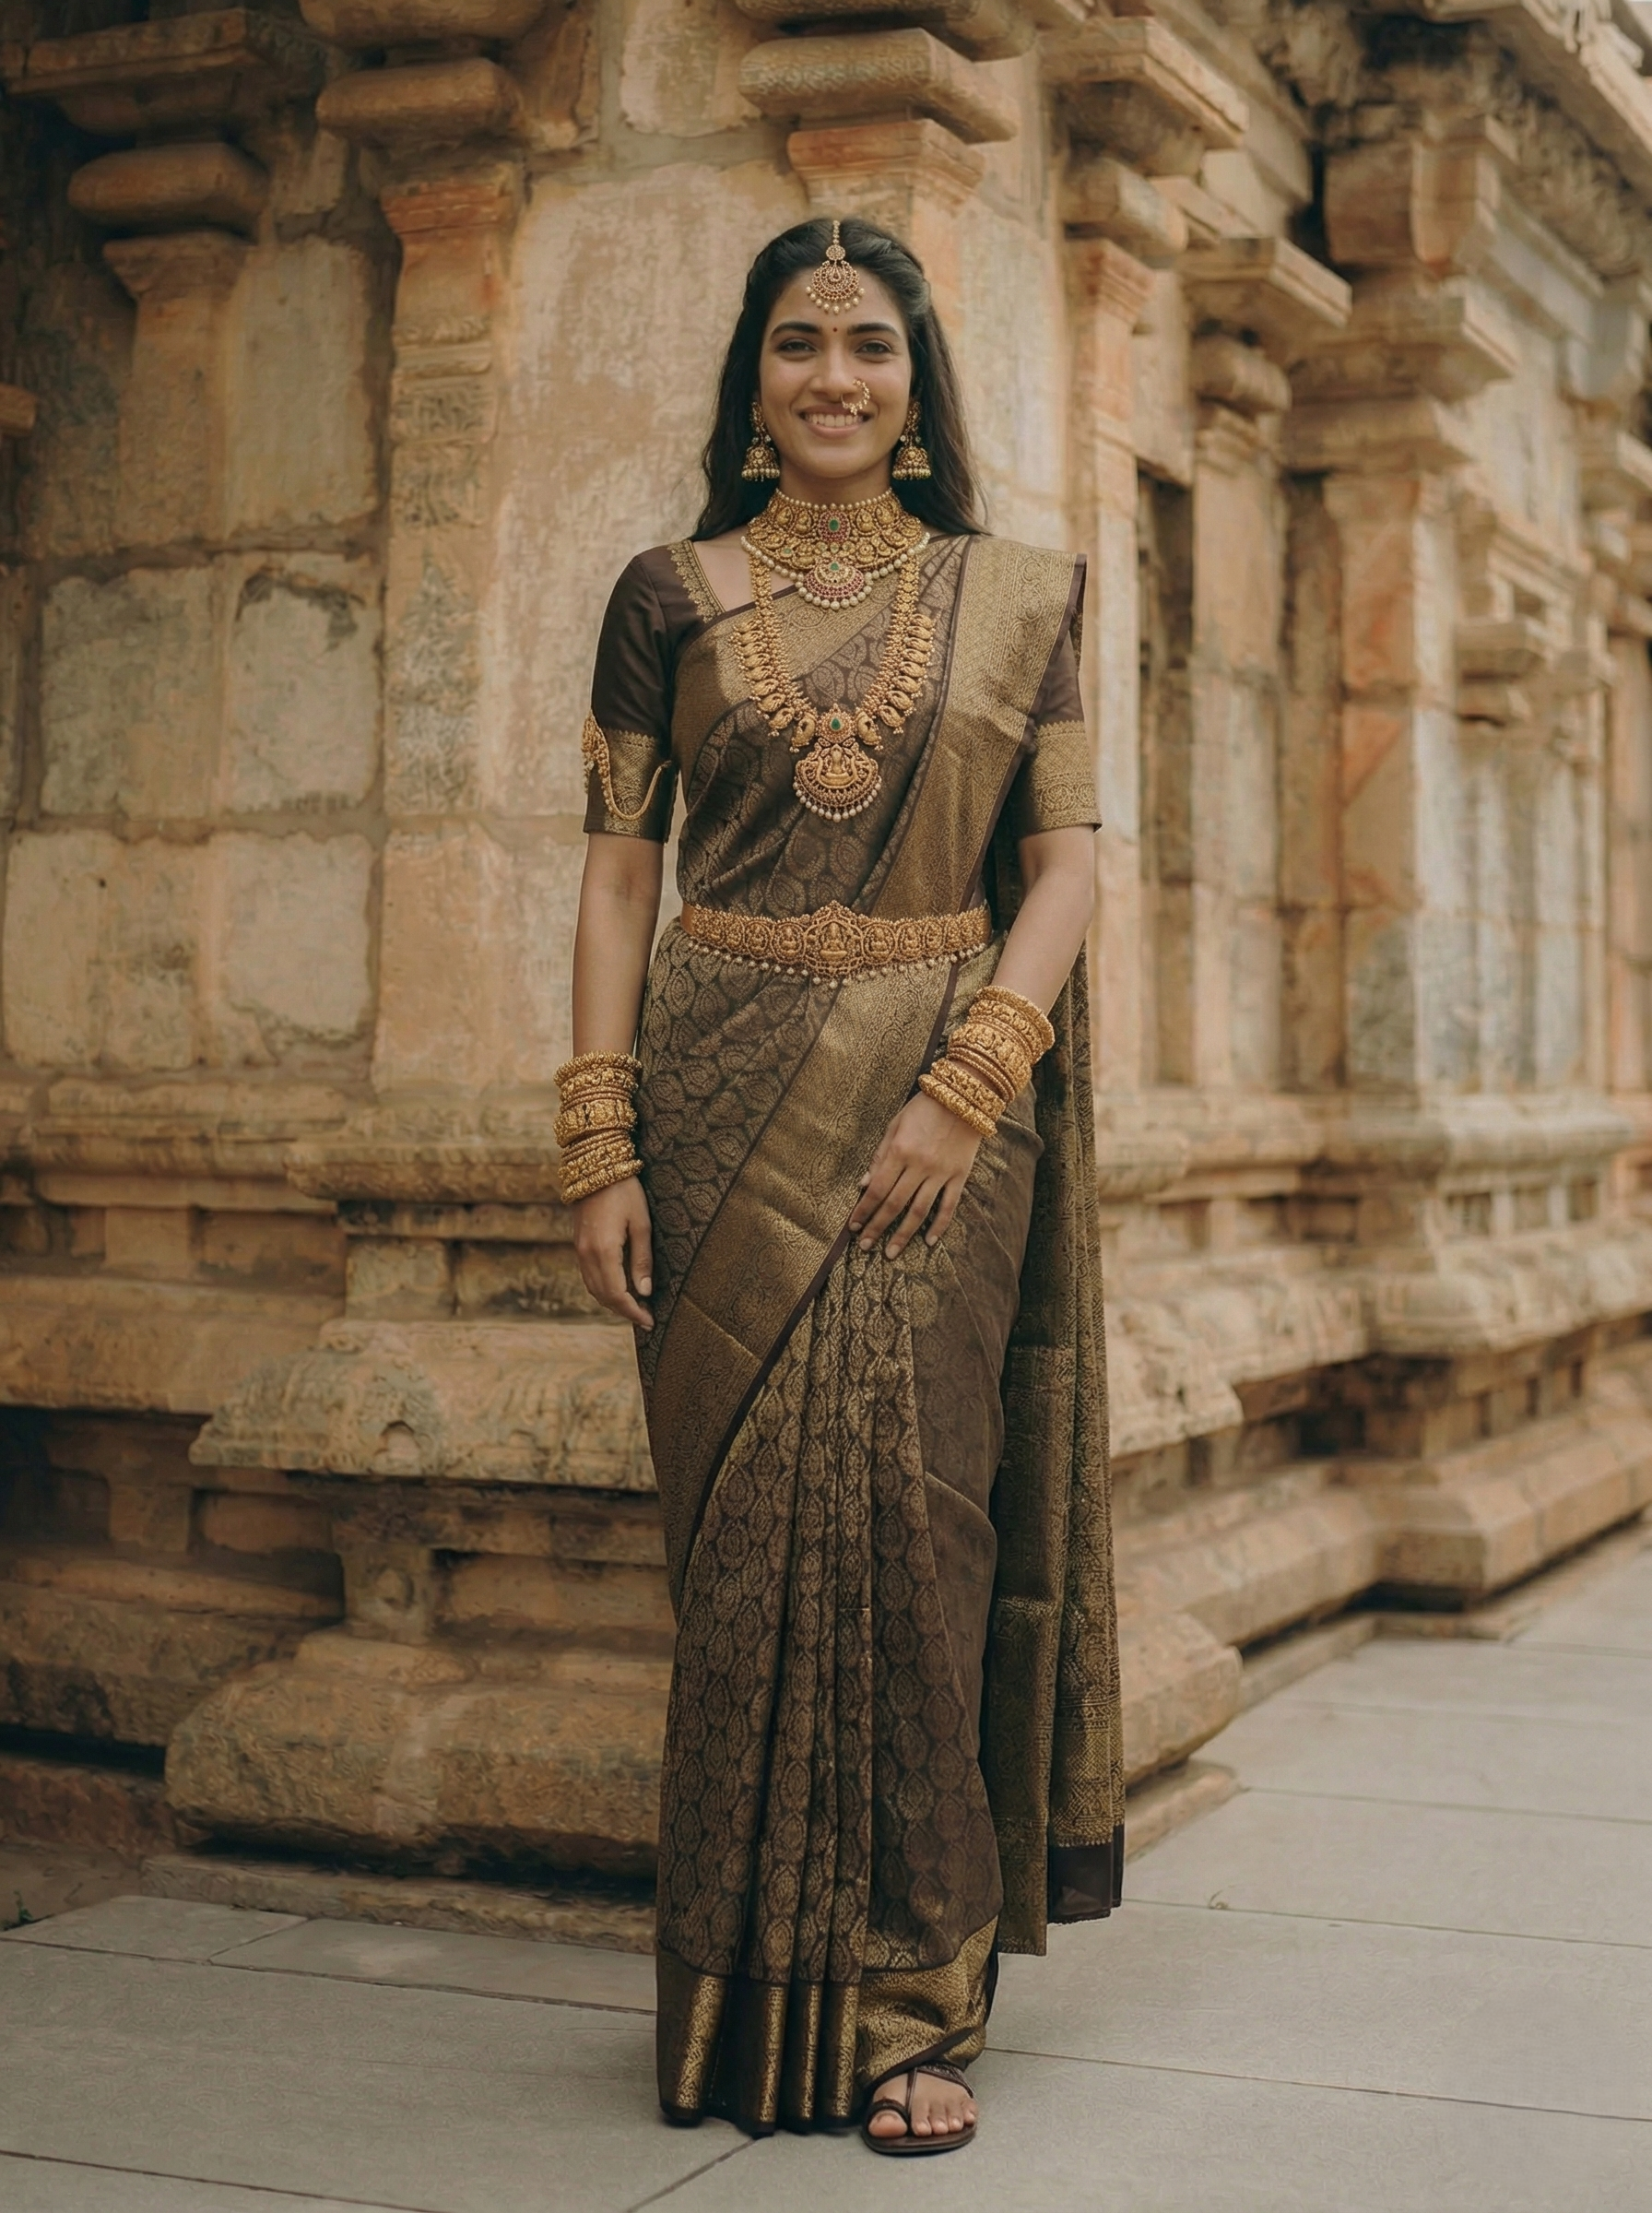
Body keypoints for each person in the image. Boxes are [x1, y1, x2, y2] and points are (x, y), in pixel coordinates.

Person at [559, 215, 1122, 2158]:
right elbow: (620, 879)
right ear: (748, 384)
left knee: (912, 1529)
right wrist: (595, 1141)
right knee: (735, 1566)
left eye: (868, 346)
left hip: (937, 1097)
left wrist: (969, 1086)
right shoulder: (665, 595)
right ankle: (732, 1993)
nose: (830, 377)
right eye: (795, 344)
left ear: (913, 384)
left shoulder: (1018, 595)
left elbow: (1059, 869)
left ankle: (902, 2001)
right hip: (711, 1096)